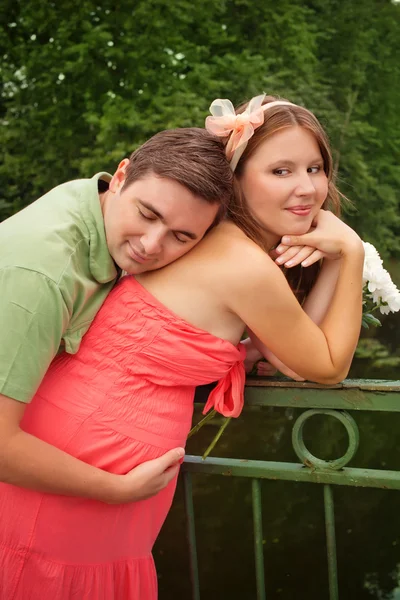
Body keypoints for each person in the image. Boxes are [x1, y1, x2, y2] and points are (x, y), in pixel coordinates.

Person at [0, 94, 364, 599]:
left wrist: (337, 263)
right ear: (235, 179)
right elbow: (326, 366)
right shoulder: (237, 260)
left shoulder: (211, 240)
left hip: (90, 454)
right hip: (82, 467)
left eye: (315, 168)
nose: (306, 188)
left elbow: (289, 355)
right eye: (280, 170)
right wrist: (353, 252)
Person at [0, 127, 233, 501]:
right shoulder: (43, 276)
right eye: (147, 214)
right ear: (121, 174)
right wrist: (117, 488)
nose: (150, 245)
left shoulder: (96, 203)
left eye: (181, 237)